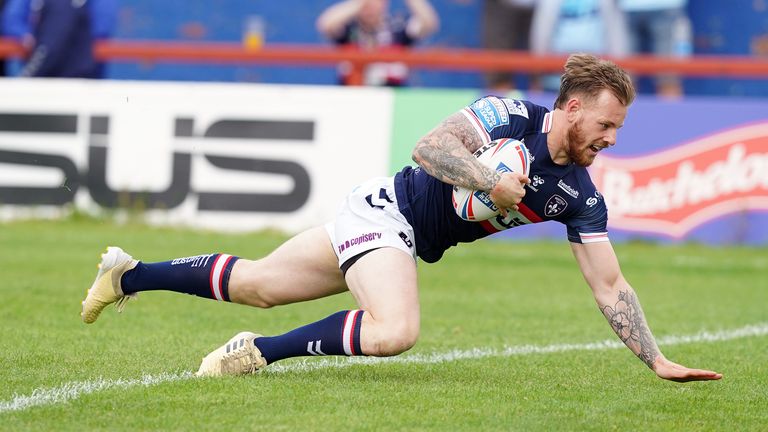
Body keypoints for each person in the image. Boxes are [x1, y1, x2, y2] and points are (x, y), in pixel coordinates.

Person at [81, 53, 722, 383]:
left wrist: (657, 359)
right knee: (395, 329)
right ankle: (254, 357)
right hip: (386, 212)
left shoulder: (580, 195)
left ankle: (128, 275)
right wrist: (492, 180)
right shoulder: (508, 115)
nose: (611, 138)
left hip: (390, 232)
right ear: (574, 107)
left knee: (257, 285)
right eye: (606, 124)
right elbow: (430, 149)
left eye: (618, 128)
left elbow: (610, 286)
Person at [316, 0, 439, 86]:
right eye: (366, 4)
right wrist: (358, 4)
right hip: (352, 96)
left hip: (392, 97)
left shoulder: (398, 27)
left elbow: (428, 23)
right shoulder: (349, 28)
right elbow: (325, 24)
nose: (370, 7)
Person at [1, 0, 117, 78]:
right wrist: (24, 35)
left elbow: (101, 28)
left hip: (81, 76)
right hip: (44, 76)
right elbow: (12, 20)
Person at [530, 0, 628, 92]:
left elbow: (616, 33)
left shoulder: (606, 3)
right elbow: (541, 33)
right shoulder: (549, 3)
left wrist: (625, 74)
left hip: (597, 75)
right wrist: (536, 73)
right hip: (557, 76)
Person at [618, 0, 691, 98]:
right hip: (632, 7)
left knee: (668, 75)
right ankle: (672, 112)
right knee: (626, 77)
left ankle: (672, 112)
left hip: (660, 7)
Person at [481, 0, 538, 95]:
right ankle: (499, 101)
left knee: (540, 72)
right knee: (498, 68)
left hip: (543, 7)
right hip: (502, 6)